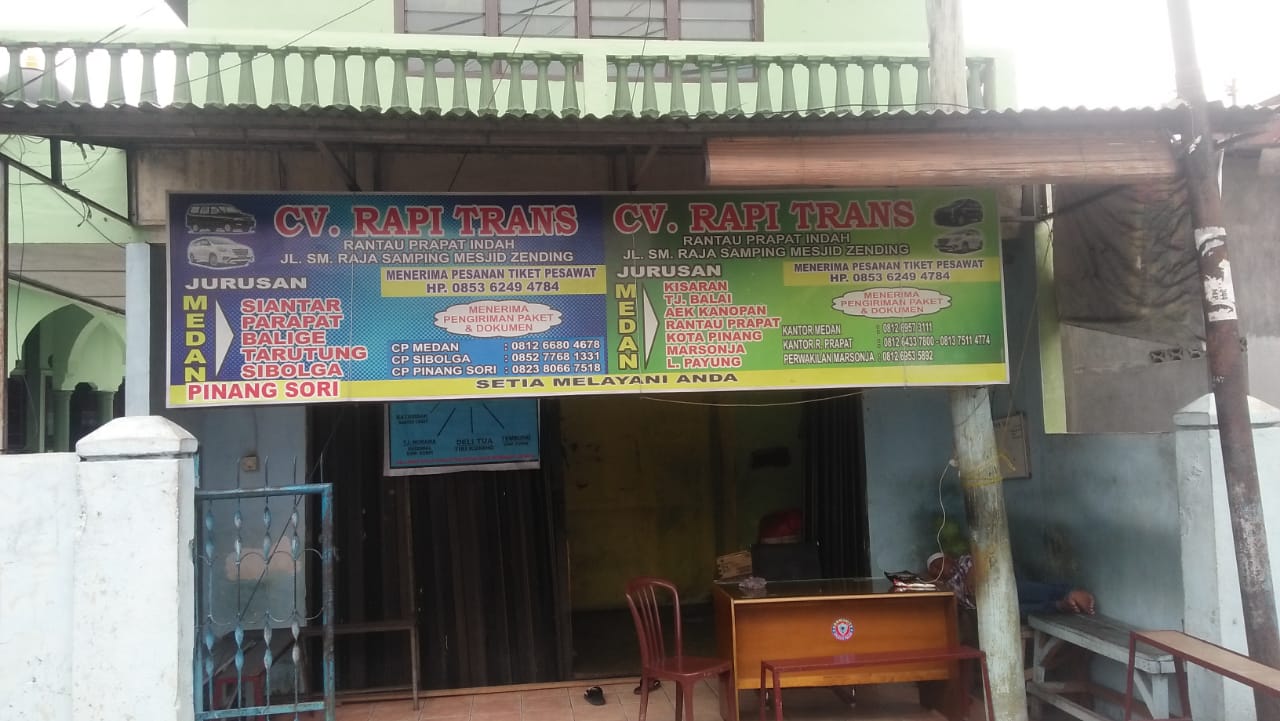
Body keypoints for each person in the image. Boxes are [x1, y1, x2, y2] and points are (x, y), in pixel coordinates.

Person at [925, 552, 1095, 618]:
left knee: (1018, 591)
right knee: (1014, 611)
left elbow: (984, 558)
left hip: (999, 587)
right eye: (933, 570)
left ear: (949, 558)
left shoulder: (964, 561)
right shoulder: (946, 587)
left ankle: (1070, 591)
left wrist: (972, 574)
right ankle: (1061, 604)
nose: (937, 569)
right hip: (990, 608)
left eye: (939, 564)